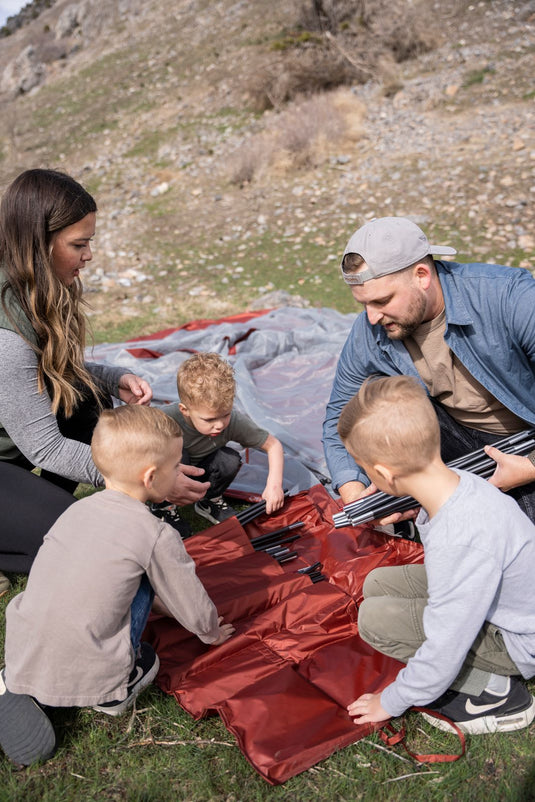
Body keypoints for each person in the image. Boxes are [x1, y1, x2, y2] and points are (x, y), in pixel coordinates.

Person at [0, 168, 208, 583]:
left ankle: (37, 510)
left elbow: (56, 372)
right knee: (82, 544)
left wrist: (114, 378)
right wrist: (149, 481)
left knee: (90, 399)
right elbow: (47, 449)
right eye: (79, 244)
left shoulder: (43, 290)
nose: (89, 255)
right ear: (38, 246)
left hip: (17, 450)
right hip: (20, 453)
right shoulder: (7, 337)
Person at [0, 405, 235, 767]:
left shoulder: (74, 512)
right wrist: (211, 632)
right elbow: (187, 596)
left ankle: (20, 676)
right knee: (147, 582)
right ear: (151, 476)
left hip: (22, 641)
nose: (177, 473)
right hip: (97, 668)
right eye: (175, 468)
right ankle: (112, 690)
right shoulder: (155, 533)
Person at [338, 375, 535, 734]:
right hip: (505, 599)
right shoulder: (459, 481)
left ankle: (494, 693)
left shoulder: (459, 537)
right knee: (377, 582)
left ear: (383, 473)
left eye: (364, 468)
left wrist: (393, 699)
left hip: (521, 640)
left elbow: (445, 645)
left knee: (374, 620)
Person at [322, 216, 535, 524]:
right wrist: (353, 489)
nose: (371, 318)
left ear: (421, 275)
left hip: (524, 441)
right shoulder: (369, 332)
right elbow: (339, 417)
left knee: (519, 537)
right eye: (363, 304)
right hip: (453, 439)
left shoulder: (509, 298)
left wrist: (528, 467)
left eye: (382, 300)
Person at [153, 352, 285, 527]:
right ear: (185, 410)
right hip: (168, 474)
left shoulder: (234, 422)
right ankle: (163, 507)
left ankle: (209, 500)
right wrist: (163, 481)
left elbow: (273, 445)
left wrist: (274, 484)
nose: (219, 425)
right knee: (176, 453)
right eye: (209, 420)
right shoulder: (162, 420)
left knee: (229, 459)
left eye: (225, 415)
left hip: (202, 471)